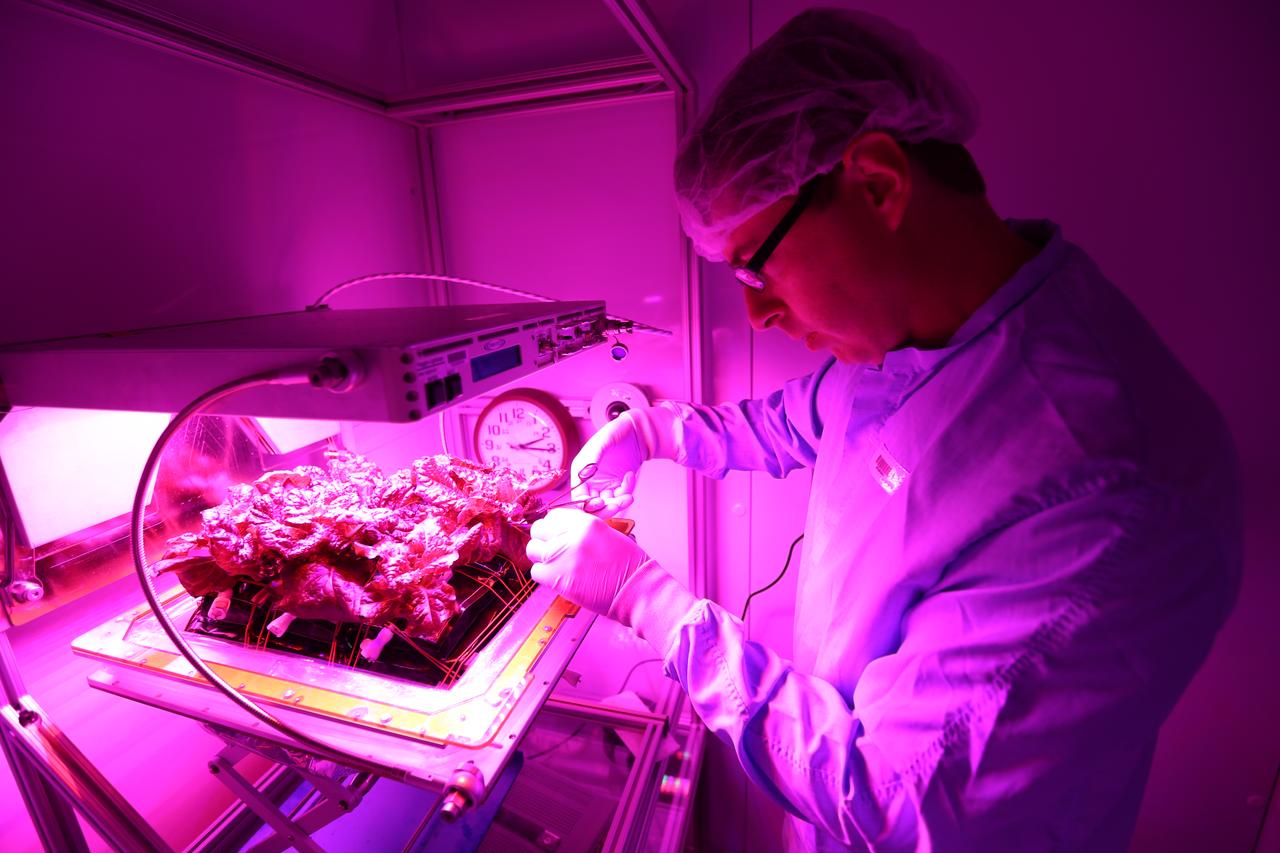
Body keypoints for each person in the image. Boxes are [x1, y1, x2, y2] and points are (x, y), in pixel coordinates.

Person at [525, 8, 1241, 851]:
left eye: (755, 266)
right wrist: (656, 431)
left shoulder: (1106, 482)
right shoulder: (919, 338)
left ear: (876, 185)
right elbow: (794, 421)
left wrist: (647, 598)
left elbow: (892, 796)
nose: (756, 314)